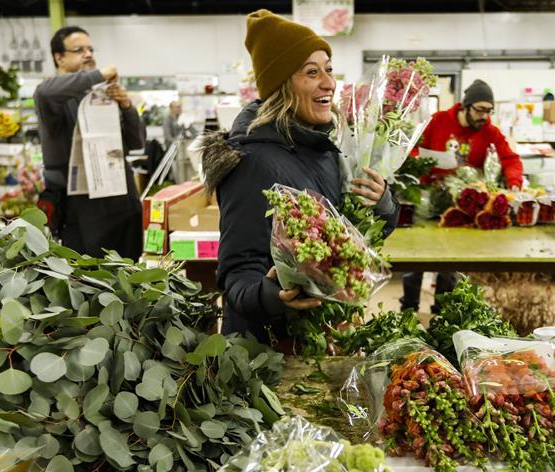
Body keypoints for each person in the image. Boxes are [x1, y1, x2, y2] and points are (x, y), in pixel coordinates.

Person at [202, 10, 398, 343]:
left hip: (320, 338)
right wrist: (270, 293)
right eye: (311, 72)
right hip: (270, 353)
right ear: (281, 84)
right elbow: (236, 275)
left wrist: (383, 203)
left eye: (329, 69)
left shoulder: (325, 148)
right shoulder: (251, 161)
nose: (329, 83)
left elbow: (354, 236)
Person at [400, 79, 524, 313]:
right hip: (428, 202)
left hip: (462, 209)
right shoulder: (439, 121)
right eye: (480, 110)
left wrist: (514, 183)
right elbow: (413, 148)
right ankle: (408, 309)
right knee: (416, 260)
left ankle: (441, 313)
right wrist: (422, 162)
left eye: (489, 111)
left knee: (450, 264)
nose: (484, 117)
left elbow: (510, 159)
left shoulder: (489, 132)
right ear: (465, 106)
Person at [34, 26, 145, 260]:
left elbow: (135, 143)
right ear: (59, 57)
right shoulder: (52, 98)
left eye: (91, 49)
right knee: (88, 277)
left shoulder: (100, 96)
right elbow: (44, 92)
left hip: (120, 202)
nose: (88, 54)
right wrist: (98, 75)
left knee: (129, 274)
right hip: (81, 210)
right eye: (79, 50)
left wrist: (126, 106)